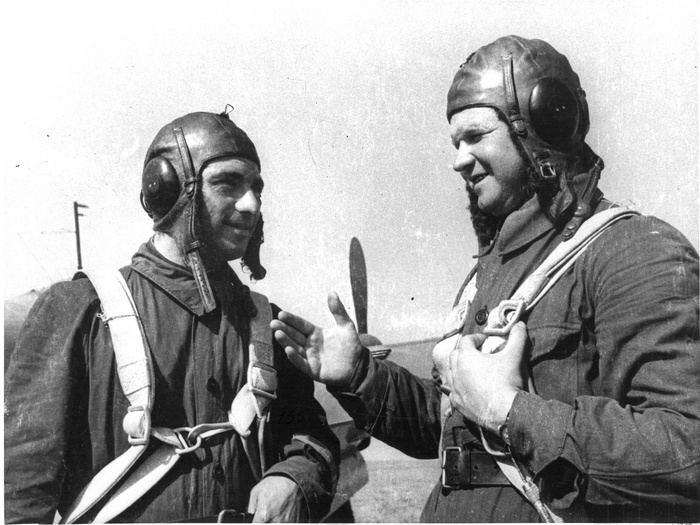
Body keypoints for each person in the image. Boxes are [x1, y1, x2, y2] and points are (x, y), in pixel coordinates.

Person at [272, 36, 700, 522]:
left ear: (541, 125)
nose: (458, 159)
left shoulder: (632, 250)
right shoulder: (488, 275)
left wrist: (510, 410)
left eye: (475, 136)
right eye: (456, 143)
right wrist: (360, 376)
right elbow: (452, 430)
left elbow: (687, 450)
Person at [4, 110, 340, 523]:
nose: (251, 204)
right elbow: (20, 497)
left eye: (256, 188)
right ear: (169, 189)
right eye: (228, 184)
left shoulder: (263, 323)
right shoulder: (77, 312)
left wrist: (293, 478)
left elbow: (311, 437)